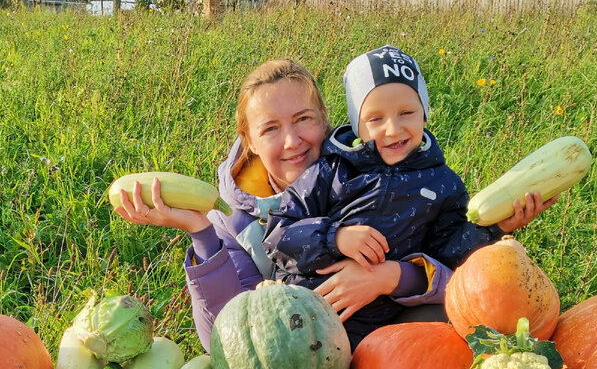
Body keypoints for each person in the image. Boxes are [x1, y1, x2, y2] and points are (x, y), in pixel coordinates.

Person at [113, 58, 472, 349]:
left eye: (303, 120)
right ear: (249, 140)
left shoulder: (370, 176)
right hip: (301, 359)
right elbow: (226, 339)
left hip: (386, 349)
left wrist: (392, 276)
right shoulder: (231, 221)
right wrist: (201, 233)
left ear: (326, 121)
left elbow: (455, 274)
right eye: (270, 128)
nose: (292, 141)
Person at [262, 45, 551, 347]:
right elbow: (278, 235)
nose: (393, 129)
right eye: (375, 119)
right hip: (297, 319)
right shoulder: (331, 171)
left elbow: (448, 253)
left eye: (407, 113)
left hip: (377, 336)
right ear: (356, 124)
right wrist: (335, 237)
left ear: (425, 114)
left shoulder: (442, 183)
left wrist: (495, 227)